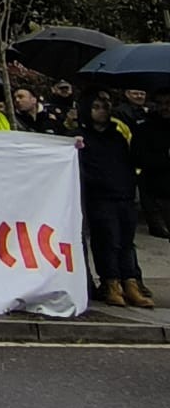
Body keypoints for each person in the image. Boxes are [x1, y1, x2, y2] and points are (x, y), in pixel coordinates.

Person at [74, 92, 152, 307]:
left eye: (106, 106)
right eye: (96, 107)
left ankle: (130, 283)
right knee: (107, 241)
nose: (103, 111)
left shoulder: (117, 136)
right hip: (99, 197)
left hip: (124, 194)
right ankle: (111, 283)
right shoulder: (80, 137)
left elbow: (131, 161)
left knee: (126, 242)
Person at [135, 91, 170, 240]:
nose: (164, 107)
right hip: (157, 192)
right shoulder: (145, 128)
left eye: (168, 103)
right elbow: (140, 159)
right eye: (160, 103)